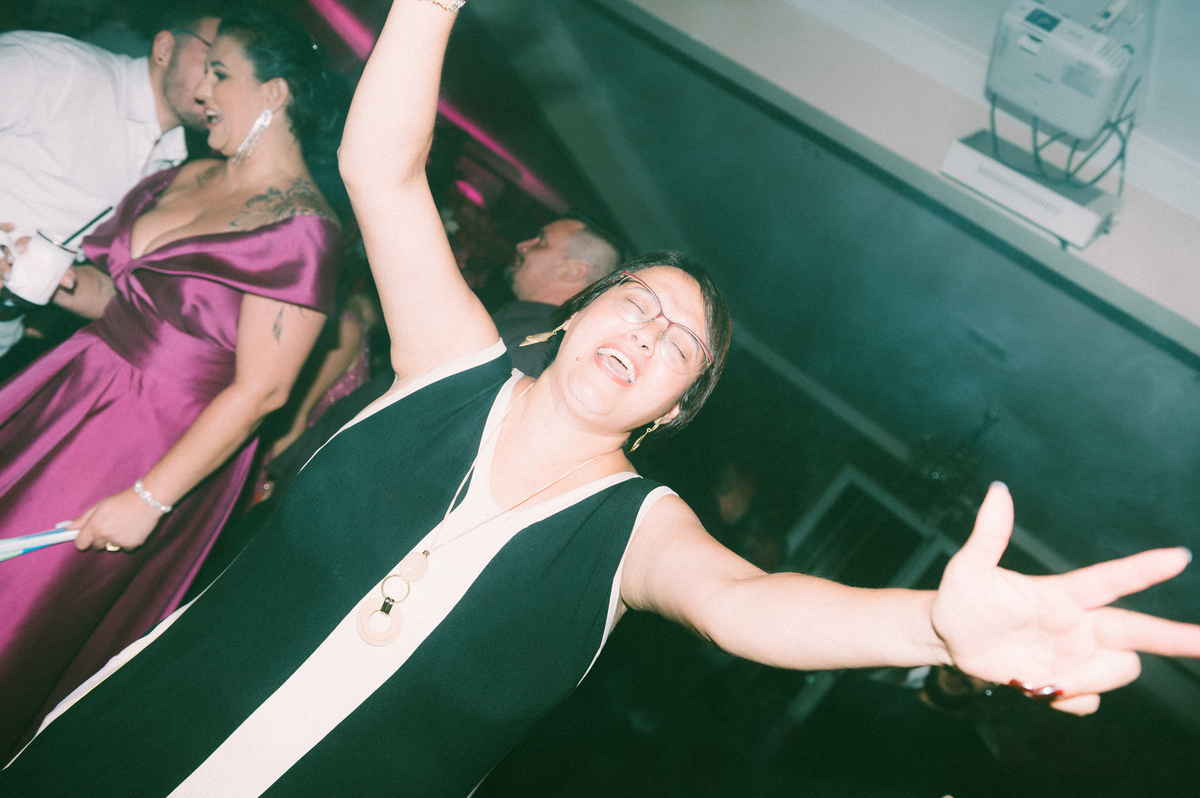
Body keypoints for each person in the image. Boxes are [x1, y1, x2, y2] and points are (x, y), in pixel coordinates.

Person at [3, 1, 1199, 795]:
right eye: (636, 302)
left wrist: (934, 628)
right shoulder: (452, 363)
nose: (648, 332)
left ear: (675, 408)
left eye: (680, 346)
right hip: (122, 745)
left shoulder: (640, 534)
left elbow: (750, 607)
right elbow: (380, 168)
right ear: (575, 316)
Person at [0, 8, 347, 760]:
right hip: (73, 384)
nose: (203, 91)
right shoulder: (185, 173)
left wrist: (150, 499)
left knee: (17, 603)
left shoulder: (303, 230)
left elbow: (263, 392)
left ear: (276, 93)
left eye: (221, 73)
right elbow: (117, 300)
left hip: (152, 439)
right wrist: (37, 266)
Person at [0, 2, 226, 355]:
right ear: (164, 48)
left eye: (232, 75)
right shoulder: (55, 68)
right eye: (213, 64)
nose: (221, 87)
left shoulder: (171, 163)